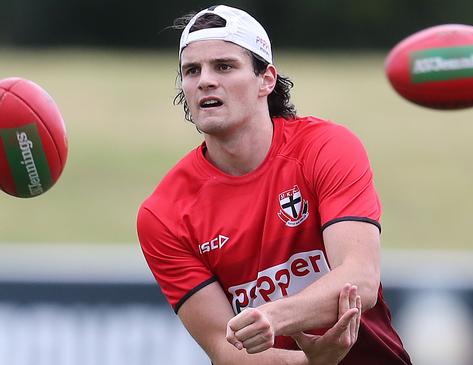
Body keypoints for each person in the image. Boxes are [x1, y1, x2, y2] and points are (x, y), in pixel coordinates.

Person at [137, 5, 412, 364]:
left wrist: (272, 316)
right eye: (192, 70)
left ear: (266, 79)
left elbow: (360, 278)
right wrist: (312, 363)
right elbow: (225, 350)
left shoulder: (325, 147)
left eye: (224, 66)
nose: (204, 80)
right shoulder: (163, 214)